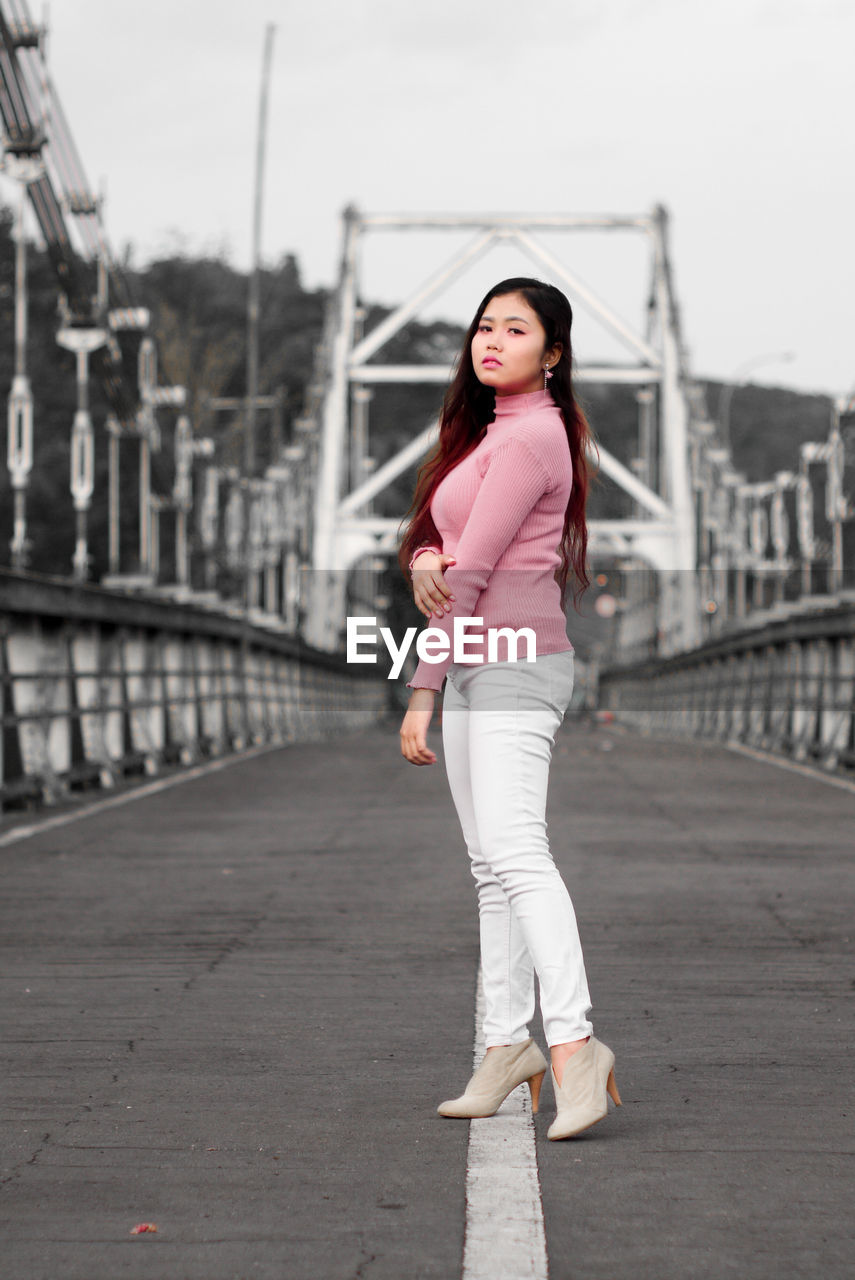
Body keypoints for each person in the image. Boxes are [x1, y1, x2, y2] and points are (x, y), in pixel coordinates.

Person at [398, 277, 621, 1140]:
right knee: (489, 867)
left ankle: (573, 1046)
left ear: (552, 354)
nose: (490, 340)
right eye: (482, 326)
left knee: (517, 855)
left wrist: (420, 690)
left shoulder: (531, 439)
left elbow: (476, 570)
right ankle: (503, 1047)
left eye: (514, 329)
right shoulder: (488, 435)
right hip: (478, 665)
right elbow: (446, 539)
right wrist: (423, 548)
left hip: (513, 667)